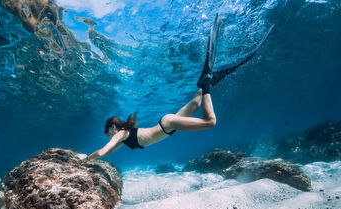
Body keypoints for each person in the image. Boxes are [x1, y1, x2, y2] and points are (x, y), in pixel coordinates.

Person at [83, 14, 272, 161]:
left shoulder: (122, 134)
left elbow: (102, 151)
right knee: (196, 101)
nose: (107, 135)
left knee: (210, 122)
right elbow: (108, 152)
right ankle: (210, 82)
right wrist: (94, 158)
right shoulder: (123, 137)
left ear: (113, 127)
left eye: (107, 131)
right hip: (167, 124)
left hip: (168, 125)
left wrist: (85, 159)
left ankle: (206, 84)